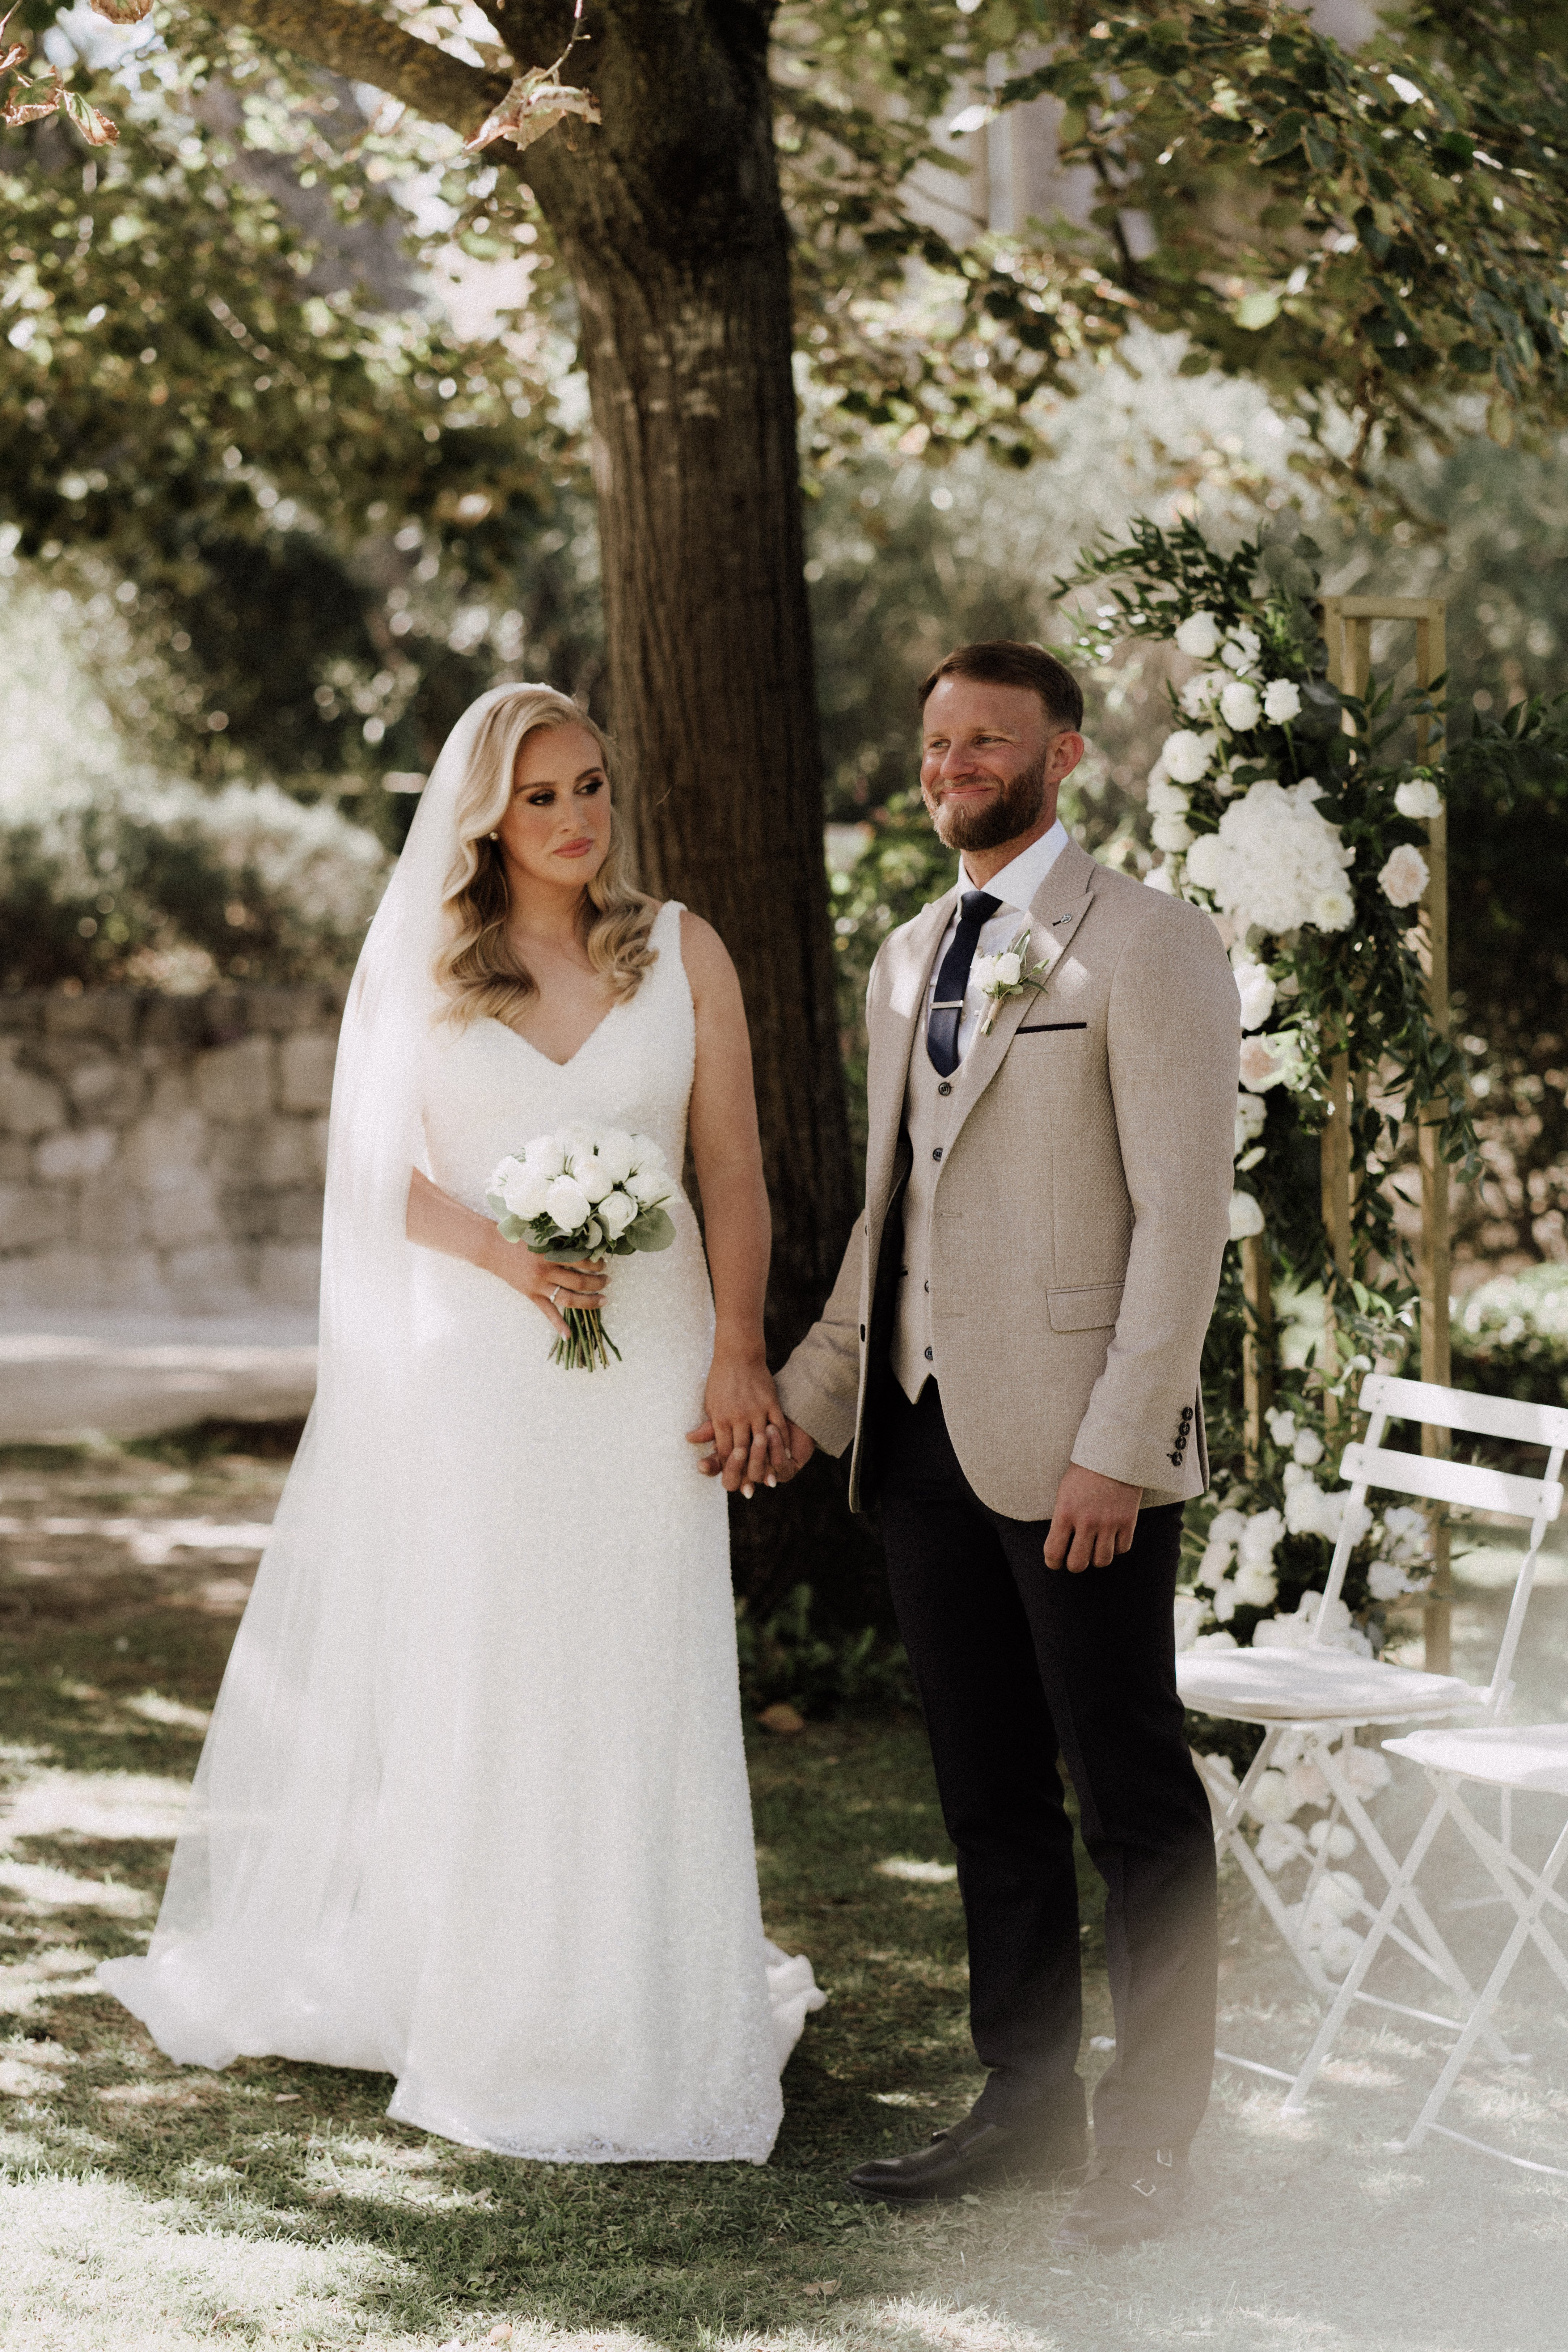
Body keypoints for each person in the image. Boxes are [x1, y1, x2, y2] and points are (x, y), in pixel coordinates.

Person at [101, 683, 821, 2162]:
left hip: (656, 1359)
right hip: (489, 1372)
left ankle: (649, 1995)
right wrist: (504, 1248)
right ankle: (493, 1996)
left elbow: (733, 1173)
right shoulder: (427, 967)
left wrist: (740, 1348)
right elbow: (370, 1179)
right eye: (543, 795)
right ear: (488, 816)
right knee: (497, 1660)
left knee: (638, 1653)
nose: (575, 819)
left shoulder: (682, 950)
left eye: (592, 786)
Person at [701, 640, 1238, 2246]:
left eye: (986, 741)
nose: (953, 765)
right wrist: (801, 1397)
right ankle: (1021, 2101)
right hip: (919, 1434)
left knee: (1128, 1792)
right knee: (985, 1790)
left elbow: (1182, 1223)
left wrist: (1120, 1445)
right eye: (936, 740)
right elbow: (895, 1212)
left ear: (1061, 754)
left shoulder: (1147, 945)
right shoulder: (904, 953)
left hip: (1079, 1445)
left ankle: (1150, 2137)